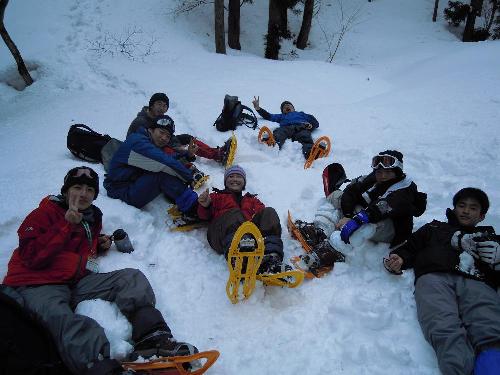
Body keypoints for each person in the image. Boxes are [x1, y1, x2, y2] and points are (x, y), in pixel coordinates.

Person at [2, 167, 197, 375]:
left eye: (89, 190)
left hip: (73, 281)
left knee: (131, 278)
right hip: (35, 283)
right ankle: (99, 367)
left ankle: (152, 338)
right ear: (66, 191)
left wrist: (97, 244)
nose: (83, 194)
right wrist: (66, 225)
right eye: (77, 187)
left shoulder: (90, 218)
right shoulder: (44, 213)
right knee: (62, 319)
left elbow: (76, 248)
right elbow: (32, 256)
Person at [385, 188, 500, 375]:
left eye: (473, 208)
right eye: (461, 206)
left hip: (477, 280)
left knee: (488, 323)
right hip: (433, 276)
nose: (466, 211)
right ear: (454, 209)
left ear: (482, 215)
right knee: (443, 325)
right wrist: (399, 259)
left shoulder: (491, 240)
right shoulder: (434, 228)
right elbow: (410, 247)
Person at [295, 150, 426, 274]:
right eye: (379, 172)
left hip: (392, 228)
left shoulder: (405, 189)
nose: (383, 176)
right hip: (371, 212)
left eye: (388, 172)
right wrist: (347, 215)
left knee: (363, 226)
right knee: (336, 197)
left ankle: (335, 251)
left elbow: (381, 209)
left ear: (397, 172)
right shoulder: (375, 177)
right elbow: (352, 191)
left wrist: (354, 220)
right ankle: (321, 230)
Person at [197, 165, 290, 274]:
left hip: (251, 238)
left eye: (239, 177)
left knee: (269, 212)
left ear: (244, 182)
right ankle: (240, 258)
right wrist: (205, 205)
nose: (235, 179)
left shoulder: (252, 200)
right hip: (222, 236)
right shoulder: (216, 197)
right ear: (225, 181)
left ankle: (271, 259)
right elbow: (203, 216)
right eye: (231, 176)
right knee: (235, 213)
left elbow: (265, 219)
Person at [104, 116, 199, 215]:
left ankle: (185, 200)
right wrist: (189, 178)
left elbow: (165, 157)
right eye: (161, 132)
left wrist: (187, 154)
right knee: (161, 173)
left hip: (131, 181)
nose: (164, 138)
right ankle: (193, 209)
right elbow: (164, 162)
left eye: (168, 136)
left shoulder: (147, 140)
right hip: (122, 190)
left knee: (165, 169)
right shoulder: (138, 142)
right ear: (151, 129)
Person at [127, 93, 231, 165]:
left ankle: (216, 154)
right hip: (149, 152)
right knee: (175, 150)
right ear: (151, 105)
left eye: (164, 106)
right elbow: (145, 145)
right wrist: (176, 147)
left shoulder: (158, 119)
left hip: (162, 143)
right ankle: (215, 156)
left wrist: (176, 143)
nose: (162, 108)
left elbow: (167, 136)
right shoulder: (141, 122)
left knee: (187, 138)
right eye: (159, 104)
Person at [252, 96, 319, 158]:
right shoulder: (281, 116)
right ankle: (274, 143)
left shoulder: (301, 114)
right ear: (282, 111)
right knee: (279, 132)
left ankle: (310, 152)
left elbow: (315, 122)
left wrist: (311, 125)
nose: (287, 106)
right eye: (284, 107)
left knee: (305, 136)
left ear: (293, 108)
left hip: (301, 127)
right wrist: (258, 109)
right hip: (287, 127)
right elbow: (269, 116)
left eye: (289, 105)